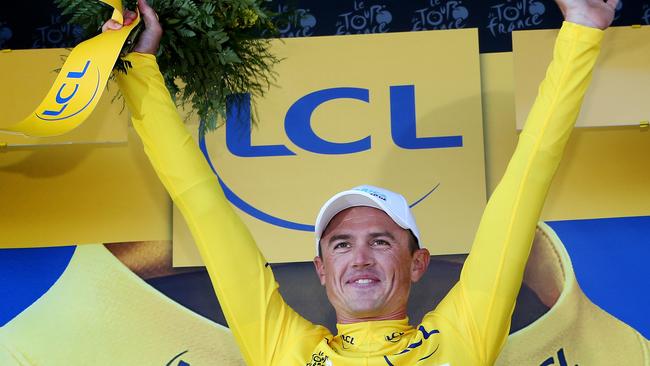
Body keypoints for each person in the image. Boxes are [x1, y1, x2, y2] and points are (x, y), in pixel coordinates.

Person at [108, 0, 617, 364]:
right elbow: (202, 204)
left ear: (417, 262)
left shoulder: (461, 336)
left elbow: (524, 187)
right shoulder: (285, 349)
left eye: (381, 240)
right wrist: (137, 69)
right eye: (342, 245)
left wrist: (581, 35)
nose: (361, 259)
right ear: (321, 269)